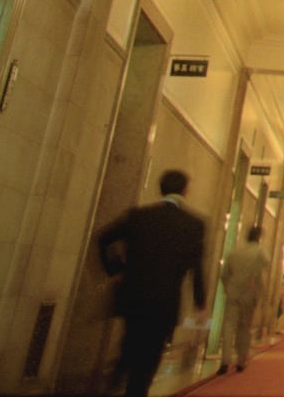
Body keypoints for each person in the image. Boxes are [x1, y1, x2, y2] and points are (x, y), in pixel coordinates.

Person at [96, 169, 207, 397]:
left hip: (134, 296)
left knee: (130, 341)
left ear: (161, 189)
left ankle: (120, 377)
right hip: (165, 301)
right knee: (150, 354)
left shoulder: (139, 216)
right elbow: (197, 266)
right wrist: (200, 302)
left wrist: (115, 270)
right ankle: (136, 389)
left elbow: (103, 238)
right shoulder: (194, 224)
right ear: (185, 191)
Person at [217, 224, 268, 374]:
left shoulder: (234, 251)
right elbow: (267, 262)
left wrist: (228, 289)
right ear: (259, 237)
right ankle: (241, 361)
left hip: (233, 293)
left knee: (228, 327)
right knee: (244, 328)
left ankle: (224, 361)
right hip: (249, 294)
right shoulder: (259, 251)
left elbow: (224, 275)